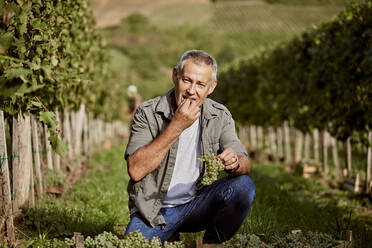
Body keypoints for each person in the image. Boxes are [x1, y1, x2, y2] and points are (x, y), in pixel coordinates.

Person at [124, 50, 255, 247]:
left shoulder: (219, 115)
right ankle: (168, 232)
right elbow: (135, 169)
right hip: (154, 210)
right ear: (175, 76)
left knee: (243, 185)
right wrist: (176, 126)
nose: (192, 90)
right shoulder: (148, 112)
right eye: (187, 80)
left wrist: (235, 161)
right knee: (134, 245)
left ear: (211, 87)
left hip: (198, 205)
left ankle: (211, 243)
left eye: (201, 84)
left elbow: (245, 162)